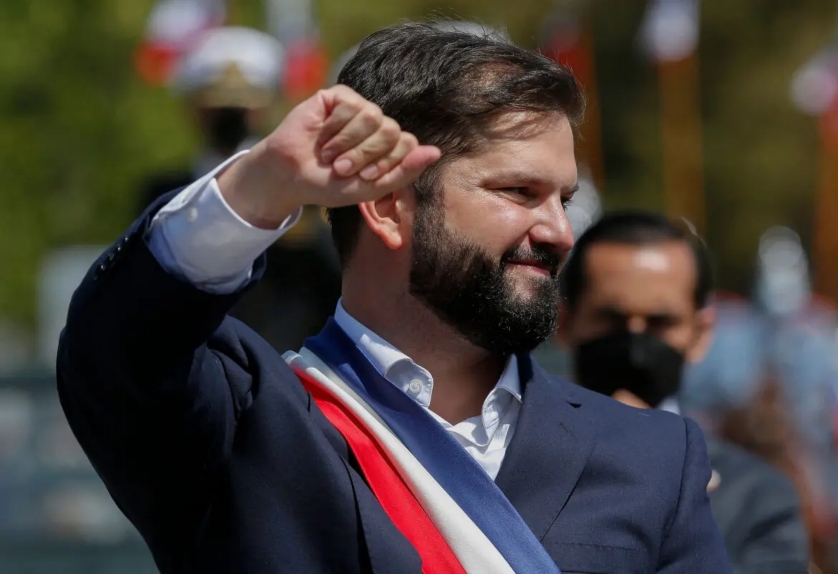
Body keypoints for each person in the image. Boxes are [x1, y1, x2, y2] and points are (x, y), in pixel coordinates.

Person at [57, 21, 730, 572]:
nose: (557, 231)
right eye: (518, 193)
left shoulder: (653, 457)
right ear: (386, 206)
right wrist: (260, 188)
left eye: (565, 198)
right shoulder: (241, 425)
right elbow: (116, 344)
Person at [556, 210, 810, 573]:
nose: (635, 344)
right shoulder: (515, 462)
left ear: (700, 333)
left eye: (660, 323)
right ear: (565, 323)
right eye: (611, 319)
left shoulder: (756, 497)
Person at [138, 25, 342, 353]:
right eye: (218, 107)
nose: (229, 119)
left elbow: (334, 278)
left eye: (241, 107)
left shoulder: (302, 188)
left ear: (267, 108)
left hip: (288, 364)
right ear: (194, 110)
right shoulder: (163, 193)